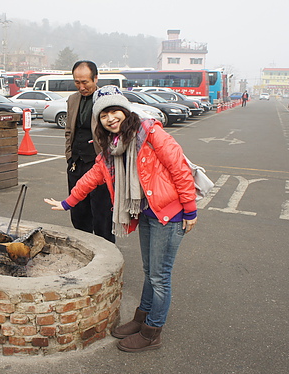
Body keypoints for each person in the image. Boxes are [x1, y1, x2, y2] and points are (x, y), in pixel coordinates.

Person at [45, 86, 198, 352]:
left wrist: (190, 209)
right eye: (103, 114)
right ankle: (143, 318)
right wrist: (68, 202)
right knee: (150, 271)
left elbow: (180, 168)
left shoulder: (150, 133)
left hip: (169, 213)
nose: (110, 118)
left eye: (115, 110)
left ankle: (152, 332)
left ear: (125, 111)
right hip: (147, 213)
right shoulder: (111, 147)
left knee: (160, 276)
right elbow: (93, 177)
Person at [65, 60, 115, 243]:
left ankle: (106, 252)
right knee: (78, 211)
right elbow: (69, 131)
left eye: (85, 82)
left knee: (102, 213)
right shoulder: (72, 100)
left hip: (99, 165)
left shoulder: (105, 100)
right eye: (77, 82)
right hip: (76, 164)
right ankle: (84, 246)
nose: (81, 86)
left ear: (95, 78)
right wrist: (69, 156)